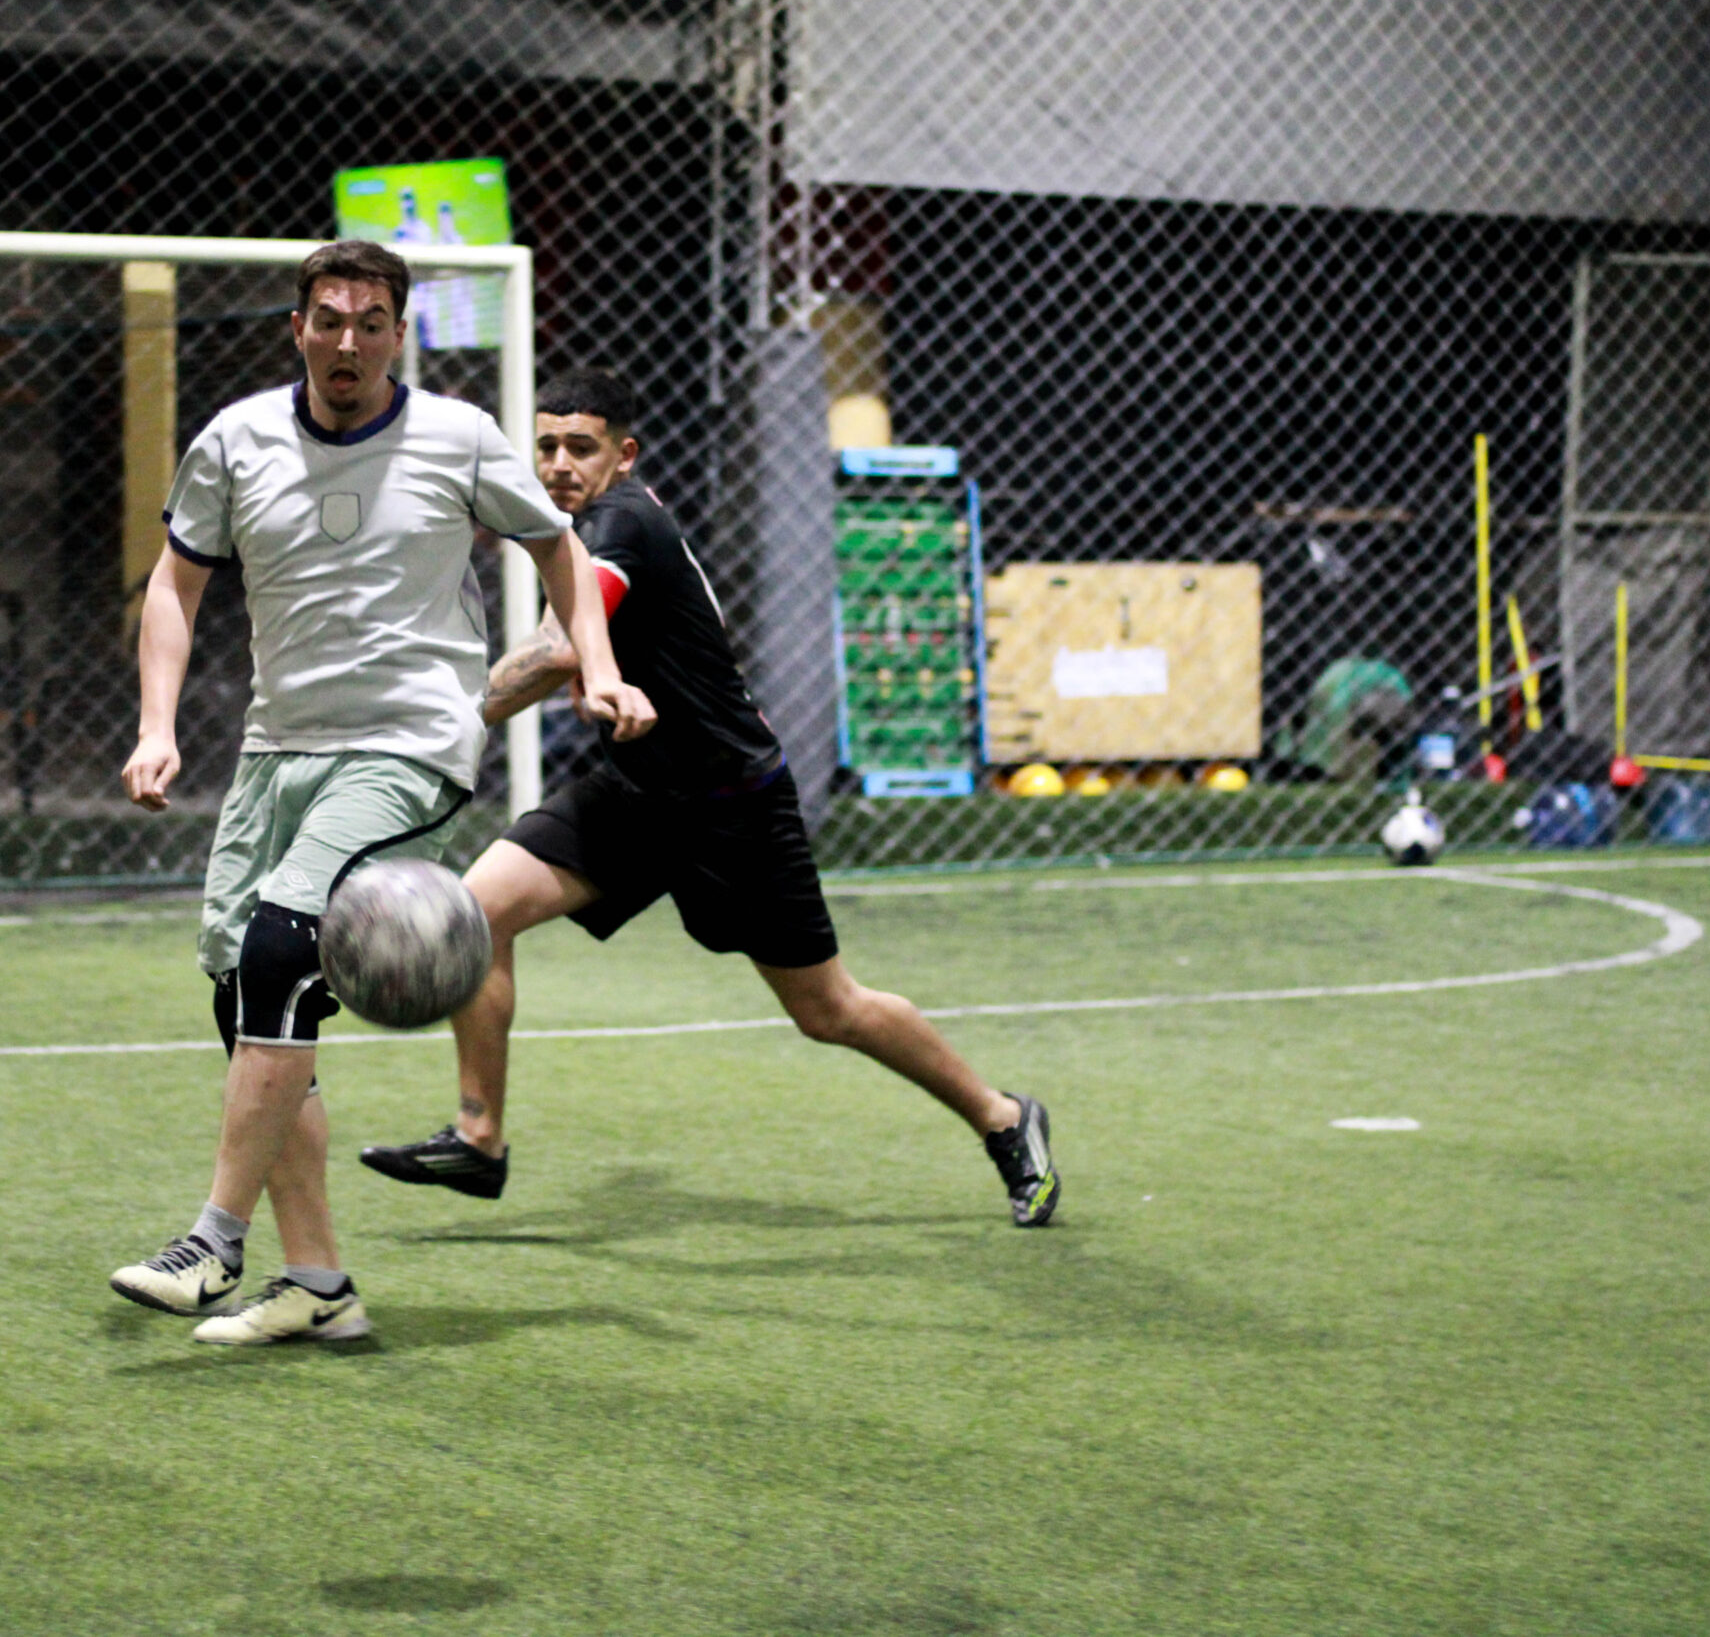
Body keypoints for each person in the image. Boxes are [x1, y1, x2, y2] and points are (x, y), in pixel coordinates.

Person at [109, 241, 655, 1347]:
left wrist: (595, 666)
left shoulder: (459, 436)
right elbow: (175, 582)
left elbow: (555, 546)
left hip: (410, 747)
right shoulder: (235, 440)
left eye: (370, 323)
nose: (348, 341)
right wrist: (156, 725)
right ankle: (319, 1284)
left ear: (399, 335)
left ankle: (214, 1241)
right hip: (277, 753)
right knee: (248, 1000)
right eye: (329, 320)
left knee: (279, 950)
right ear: (297, 328)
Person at [360, 370, 1063, 1227]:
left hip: (731, 805)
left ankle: (1003, 1116)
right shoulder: (580, 530)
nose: (560, 464)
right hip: (635, 792)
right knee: (475, 916)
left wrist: (447, 718)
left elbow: (556, 649)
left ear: (624, 454)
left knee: (828, 1010)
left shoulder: (621, 523)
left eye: (581, 447)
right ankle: (480, 1138)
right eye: (546, 446)